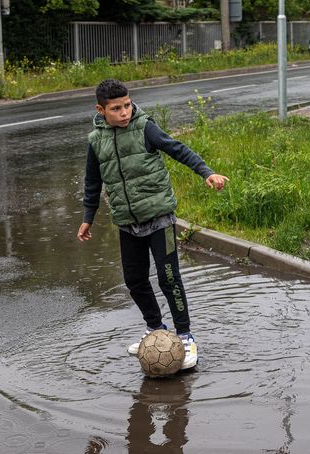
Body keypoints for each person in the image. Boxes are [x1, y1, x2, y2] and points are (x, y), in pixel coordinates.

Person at [77, 79, 229, 370]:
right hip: (126, 222)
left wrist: (206, 172)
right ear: (101, 109)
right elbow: (92, 181)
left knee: (168, 277)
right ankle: (155, 328)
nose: (124, 112)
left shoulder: (144, 127)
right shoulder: (96, 140)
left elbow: (177, 149)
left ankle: (185, 336)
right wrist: (88, 218)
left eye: (127, 105)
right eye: (116, 108)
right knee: (134, 280)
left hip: (159, 218)